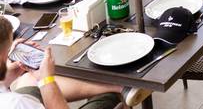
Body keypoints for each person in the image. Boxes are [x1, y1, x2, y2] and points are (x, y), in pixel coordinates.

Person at [0, 18, 151, 108]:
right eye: (8, 51)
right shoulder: (16, 104)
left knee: (29, 78)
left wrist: (7, 75)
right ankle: (118, 88)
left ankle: (120, 87)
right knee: (107, 96)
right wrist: (46, 80)